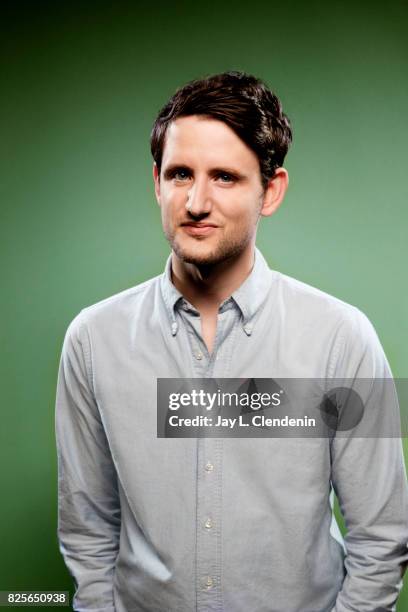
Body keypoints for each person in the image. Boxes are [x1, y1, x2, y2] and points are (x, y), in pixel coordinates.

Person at [55, 71, 408, 612]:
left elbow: (382, 538)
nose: (196, 202)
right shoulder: (92, 340)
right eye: (179, 174)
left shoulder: (342, 338)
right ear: (156, 182)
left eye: (224, 176)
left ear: (271, 191)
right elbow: (87, 527)